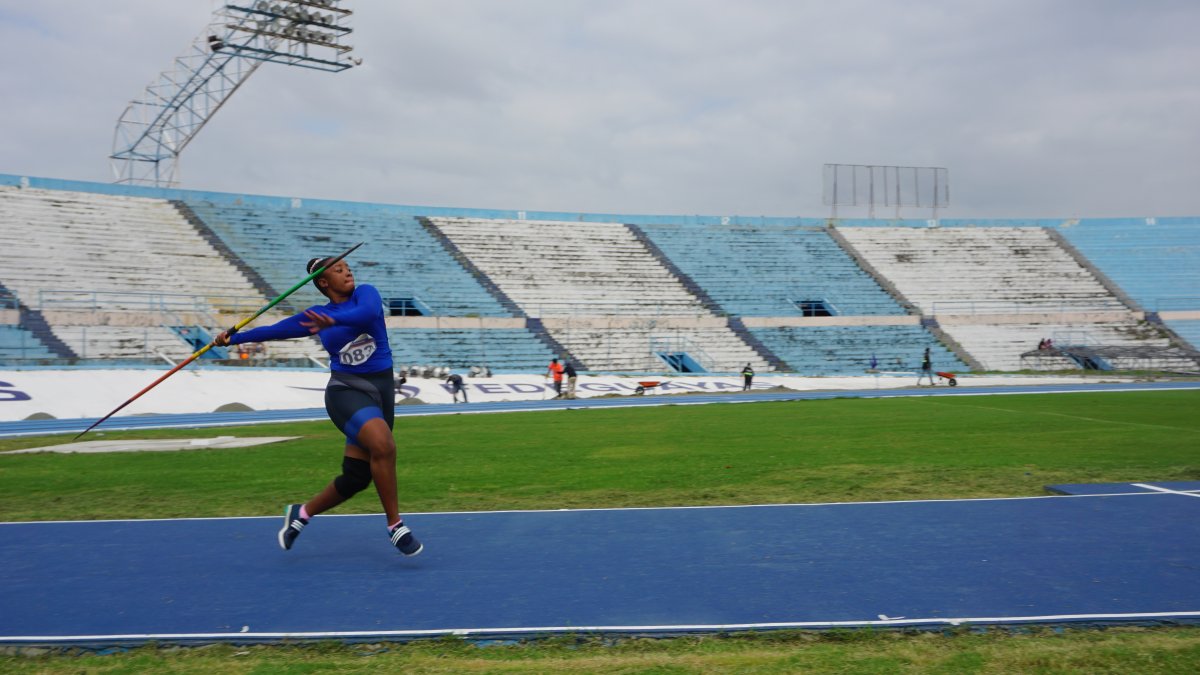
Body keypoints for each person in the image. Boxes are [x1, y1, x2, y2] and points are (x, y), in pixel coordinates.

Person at [214, 255, 422, 556]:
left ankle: (301, 514)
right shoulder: (316, 315)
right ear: (324, 282)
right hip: (346, 391)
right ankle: (395, 525)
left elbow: (365, 315)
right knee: (384, 445)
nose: (347, 271)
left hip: (382, 392)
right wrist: (234, 338)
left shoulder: (367, 293)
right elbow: (277, 330)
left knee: (356, 478)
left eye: (348, 267)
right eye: (338, 269)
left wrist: (335, 320)